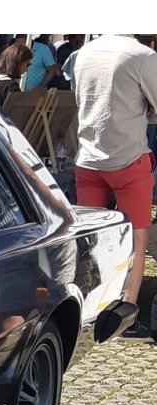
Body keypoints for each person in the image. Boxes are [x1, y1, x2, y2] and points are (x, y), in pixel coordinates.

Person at [73, 34, 157, 305]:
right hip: (128, 157)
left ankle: (90, 299)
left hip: (88, 157)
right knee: (136, 235)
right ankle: (127, 304)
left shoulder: (84, 53)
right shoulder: (143, 56)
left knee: (90, 239)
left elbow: (80, 100)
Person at [0, 43, 32, 116]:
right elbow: (17, 115)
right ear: (18, 63)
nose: (27, 69)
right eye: (27, 64)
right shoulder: (11, 86)